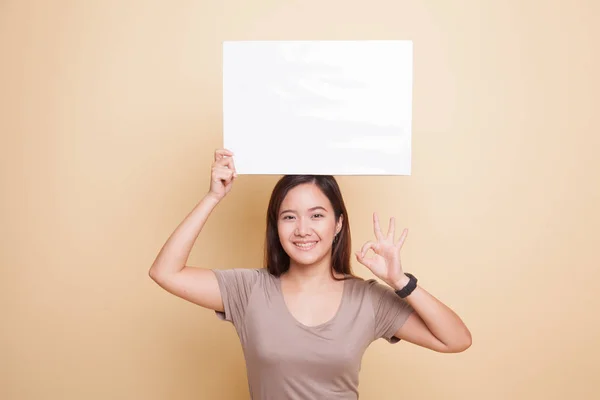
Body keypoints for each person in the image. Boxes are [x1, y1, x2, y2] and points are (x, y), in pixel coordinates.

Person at [149, 148, 472, 399]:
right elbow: (165, 272)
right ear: (276, 227)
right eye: (289, 217)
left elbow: (456, 340)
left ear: (338, 224)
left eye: (316, 215)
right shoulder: (248, 289)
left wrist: (400, 282)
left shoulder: (369, 299)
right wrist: (213, 196)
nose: (303, 229)